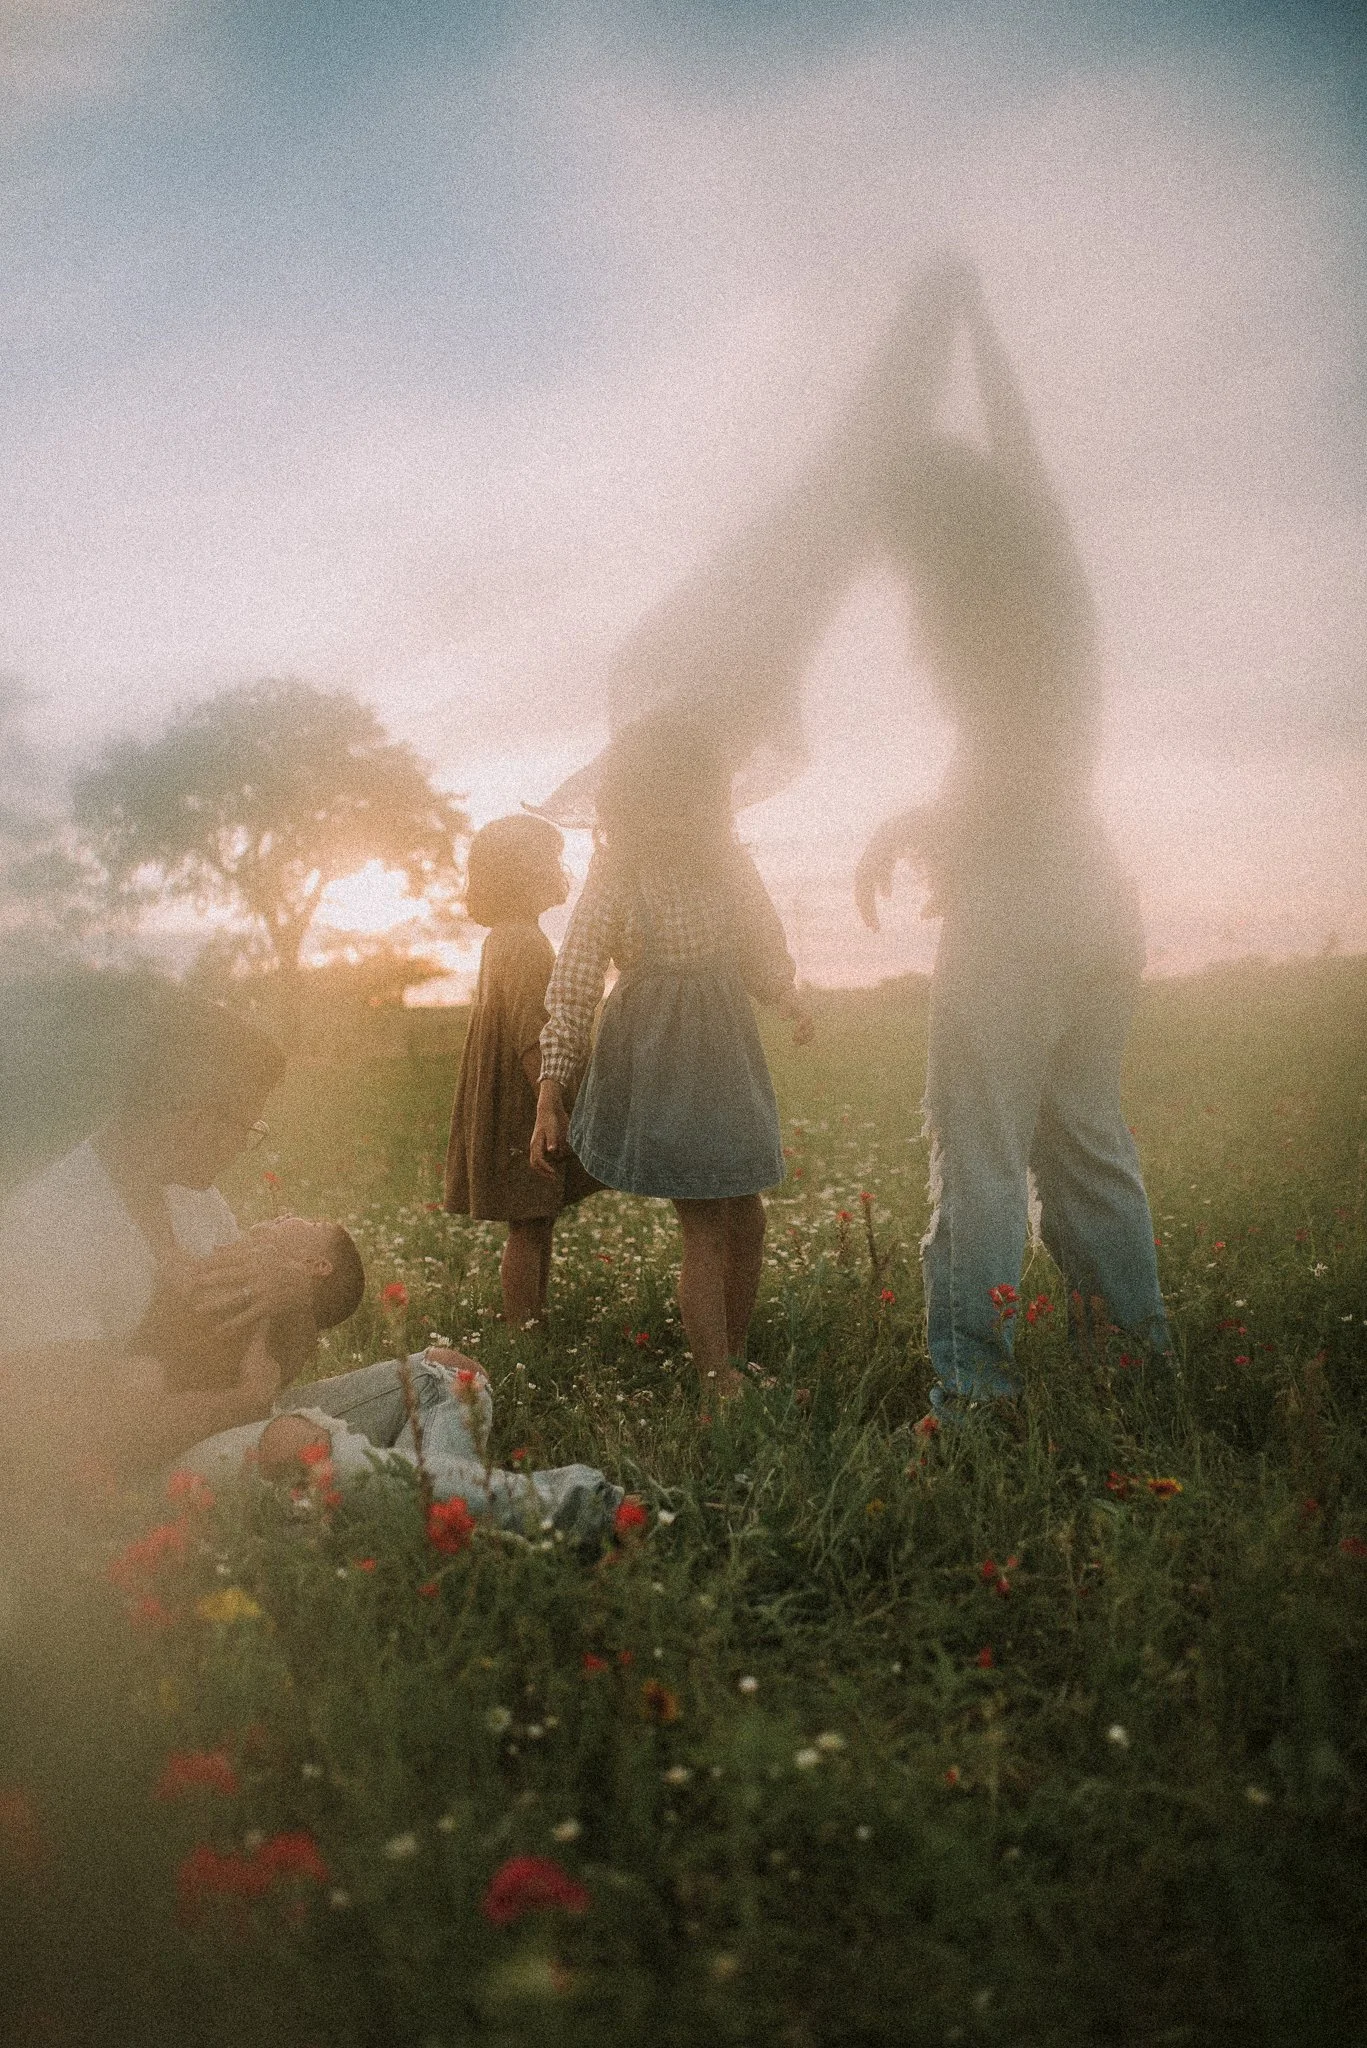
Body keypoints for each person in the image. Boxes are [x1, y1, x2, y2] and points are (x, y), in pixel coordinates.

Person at [854, 259, 1171, 1418]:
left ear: (935, 529)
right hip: (1096, 891)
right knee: (1084, 1143)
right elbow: (1018, 444)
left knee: (978, 1150)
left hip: (1023, 898)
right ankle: (1139, 1371)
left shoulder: (986, 610)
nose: (891, 556)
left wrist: (940, 322)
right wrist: (974, 327)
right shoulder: (1047, 578)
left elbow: (1010, 777)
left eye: (902, 535)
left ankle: (970, 1398)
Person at [531, 716, 813, 1413]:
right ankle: (715, 1378)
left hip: (724, 1053)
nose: (683, 819)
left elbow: (757, 937)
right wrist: (551, 1085)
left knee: (747, 1215)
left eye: (698, 803)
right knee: (705, 1223)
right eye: (664, 805)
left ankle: (735, 1359)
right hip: (659, 1059)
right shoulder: (616, 875)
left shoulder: (728, 864)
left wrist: (783, 992)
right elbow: (574, 977)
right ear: (626, 811)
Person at [0, 996, 315, 1475]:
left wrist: (291, 1297)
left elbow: (269, 1368)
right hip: (141, 1478)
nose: (243, 1147)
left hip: (240, 1427)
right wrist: (244, 1404)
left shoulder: (199, 1201)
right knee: (311, 1449)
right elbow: (79, 1437)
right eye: (247, 1127)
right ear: (198, 1120)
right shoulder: (46, 1226)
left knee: (439, 1374)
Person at [444, 814, 599, 1324]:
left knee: (536, 1219)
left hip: (510, 1096)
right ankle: (522, 1326)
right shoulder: (524, 943)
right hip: (522, 1101)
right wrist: (549, 1102)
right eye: (548, 860)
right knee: (530, 1224)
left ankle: (530, 1319)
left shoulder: (505, 937)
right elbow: (530, 1031)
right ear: (520, 872)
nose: (559, 869)